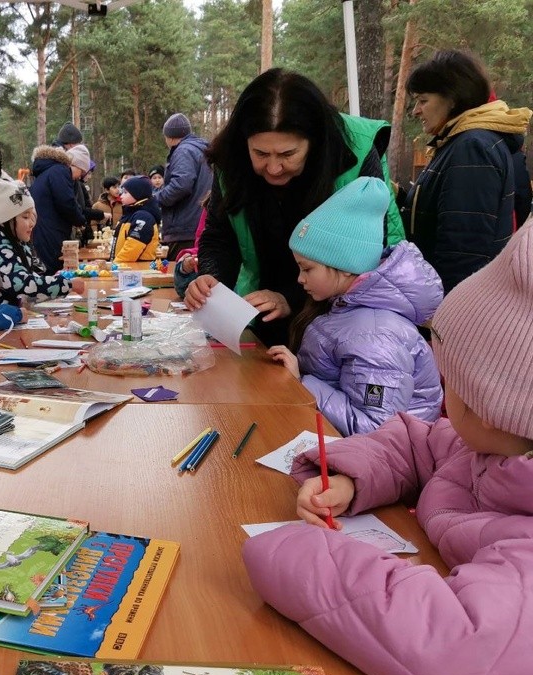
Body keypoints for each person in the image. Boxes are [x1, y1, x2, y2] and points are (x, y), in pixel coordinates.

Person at [243, 220, 533, 675]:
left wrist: (288, 549)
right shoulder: (493, 448)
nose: (441, 391)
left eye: (452, 378)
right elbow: (419, 442)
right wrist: (351, 479)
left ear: (498, 404)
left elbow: (452, 645)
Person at [185, 68, 406, 347]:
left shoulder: (355, 153)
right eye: (261, 153)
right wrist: (211, 280)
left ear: (314, 142)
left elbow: (360, 262)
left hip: (343, 321)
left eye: (288, 154)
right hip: (264, 312)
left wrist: (289, 298)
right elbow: (220, 235)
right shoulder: (232, 160)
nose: (274, 168)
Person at [266, 178, 443, 436]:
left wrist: (302, 383)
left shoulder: (375, 337)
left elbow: (374, 429)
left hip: (388, 464)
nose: (300, 279)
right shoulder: (346, 309)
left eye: (307, 269)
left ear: (346, 266)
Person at [401, 49, 532, 294]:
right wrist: (401, 196)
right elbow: (449, 212)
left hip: (452, 307)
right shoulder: (462, 142)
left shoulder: (472, 148)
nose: (415, 111)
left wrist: (441, 319)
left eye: (423, 100)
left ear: (452, 98)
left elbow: (464, 250)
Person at [0, 175, 79, 305]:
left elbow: (29, 276)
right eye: (25, 217)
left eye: (32, 216)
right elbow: (19, 284)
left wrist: (58, 281)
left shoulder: (13, 237)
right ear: (5, 219)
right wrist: (66, 285)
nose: (32, 223)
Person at [154, 113, 213, 260]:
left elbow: (181, 185)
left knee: (181, 277)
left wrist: (156, 198)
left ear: (169, 137)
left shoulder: (183, 151)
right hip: (199, 224)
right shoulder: (202, 149)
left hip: (184, 228)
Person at [29, 144, 88, 273]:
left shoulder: (47, 172)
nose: (81, 177)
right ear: (75, 165)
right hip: (51, 232)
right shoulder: (60, 171)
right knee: (54, 270)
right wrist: (81, 220)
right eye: (82, 172)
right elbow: (66, 202)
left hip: (42, 230)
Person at [111, 175, 161, 262]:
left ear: (138, 194)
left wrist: (113, 266)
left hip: (137, 271)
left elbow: (131, 249)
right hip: (124, 269)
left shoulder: (143, 217)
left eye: (125, 193)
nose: (121, 196)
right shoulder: (129, 214)